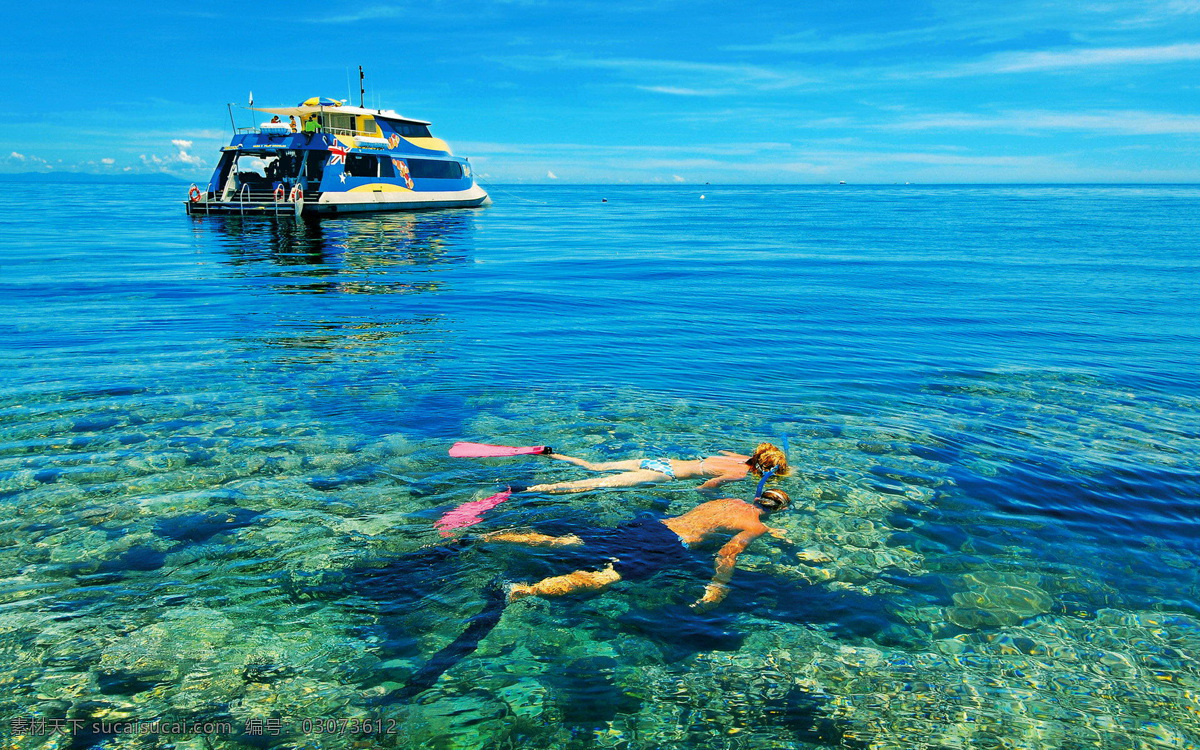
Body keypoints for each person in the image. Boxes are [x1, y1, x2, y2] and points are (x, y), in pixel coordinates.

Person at [482, 489, 791, 611]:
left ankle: (488, 537)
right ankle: (524, 589)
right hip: (668, 546)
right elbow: (726, 555)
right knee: (607, 576)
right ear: (777, 511)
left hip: (652, 527)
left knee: (564, 541)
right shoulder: (756, 527)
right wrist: (718, 588)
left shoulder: (724, 502)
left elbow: (711, 507)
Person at [512, 442, 788, 495]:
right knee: (597, 485)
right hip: (664, 474)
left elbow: (725, 454)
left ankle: (552, 454)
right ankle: (528, 489)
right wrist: (702, 491)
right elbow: (708, 486)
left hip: (661, 461)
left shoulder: (739, 460)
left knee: (594, 467)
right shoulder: (739, 474)